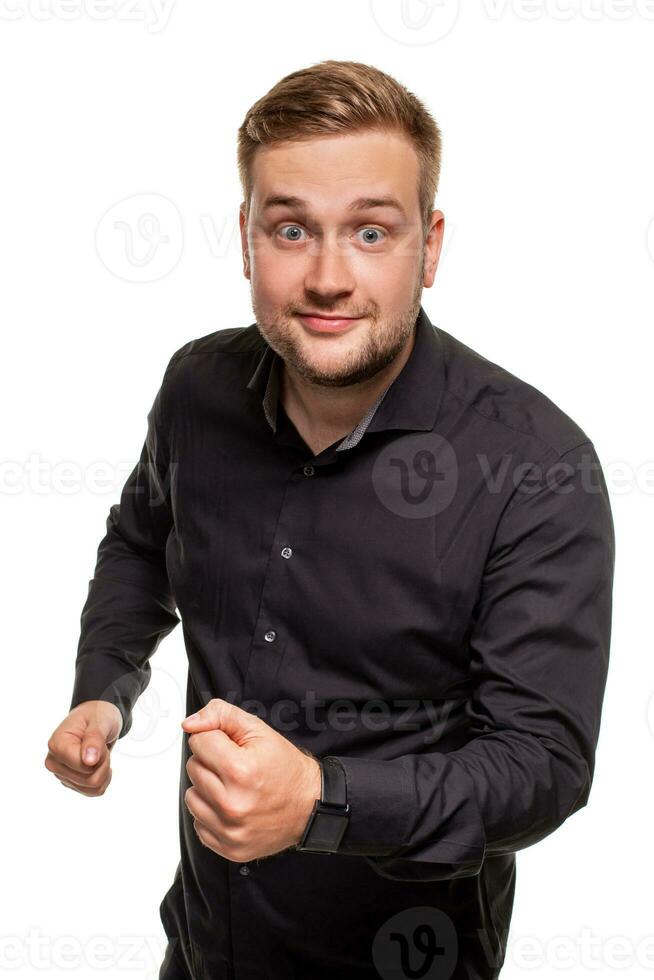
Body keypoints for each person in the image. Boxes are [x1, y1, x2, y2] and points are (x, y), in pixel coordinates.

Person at [44, 60, 615, 979]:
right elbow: (141, 544)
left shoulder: (537, 466)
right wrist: (105, 689)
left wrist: (320, 800)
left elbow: (542, 764)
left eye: (371, 231)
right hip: (202, 947)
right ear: (245, 238)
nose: (326, 276)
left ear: (429, 247)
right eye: (291, 228)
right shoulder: (197, 387)